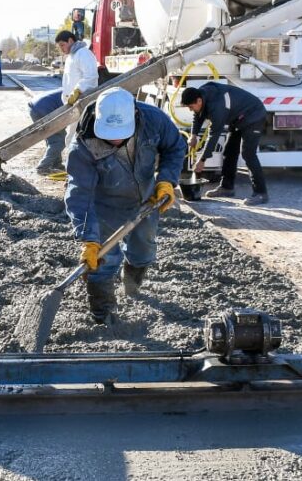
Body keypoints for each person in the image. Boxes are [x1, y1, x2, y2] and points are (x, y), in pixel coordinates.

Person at [64, 88, 186, 324]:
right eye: (110, 134)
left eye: (121, 133)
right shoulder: (84, 145)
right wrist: (89, 237)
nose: (116, 139)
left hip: (147, 199)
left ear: (135, 116)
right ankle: (103, 313)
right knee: (101, 259)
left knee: (143, 250)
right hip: (104, 205)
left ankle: (131, 287)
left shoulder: (153, 120)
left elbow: (175, 147)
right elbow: (80, 193)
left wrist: (166, 181)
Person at [180, 82, 270, 206]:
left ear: (199, 101)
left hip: (253, 116)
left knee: (248, 154)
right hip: (238, 119)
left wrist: (202, 160)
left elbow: (214, 135)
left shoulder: (217, 106)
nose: (190, 110)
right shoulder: (201, 94)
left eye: (191, 106)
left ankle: (261, 193)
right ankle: (227, 188)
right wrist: (193, 135)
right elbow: (198, 115)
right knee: (229, 152)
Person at [28, 30, 98, 175]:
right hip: (73, 103)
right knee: (71, 136)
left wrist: (78, 90)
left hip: (82, 102)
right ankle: (74, 168)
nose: (61, 48)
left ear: (71, 41)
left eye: (62, 45)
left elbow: (91, 76)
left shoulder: (83, 54)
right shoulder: (72, 56)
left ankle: (76, 169)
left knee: (74, 136)